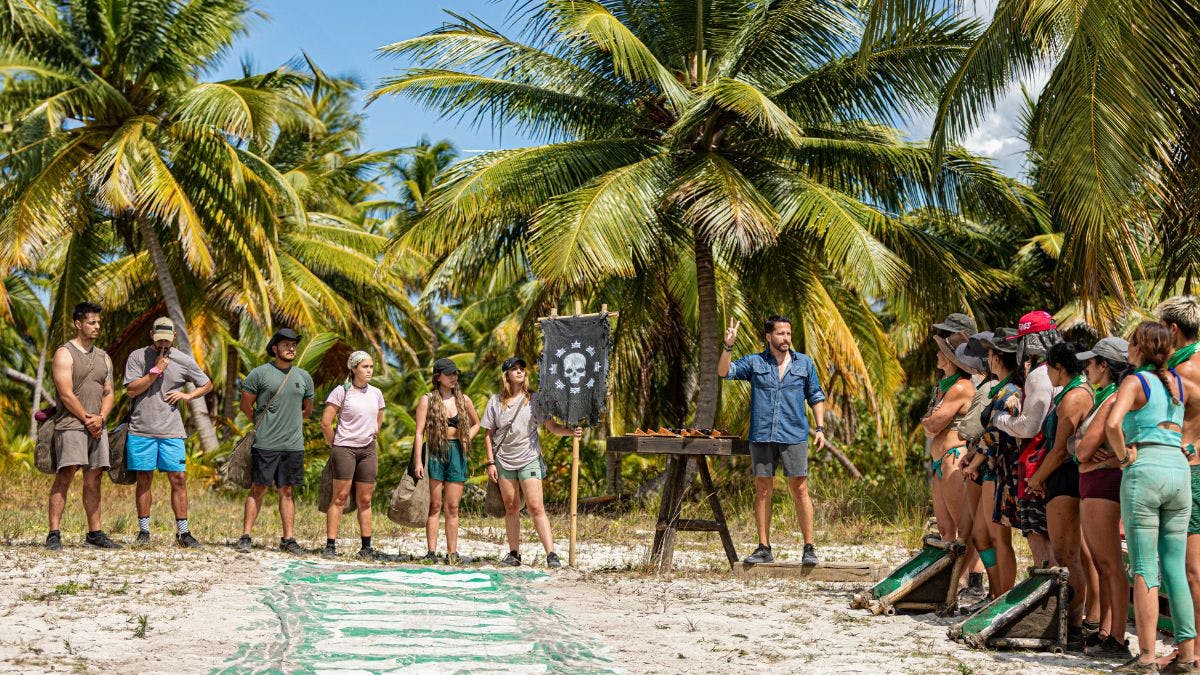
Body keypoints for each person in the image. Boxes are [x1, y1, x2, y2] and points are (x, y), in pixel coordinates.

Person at [1106, 321, 1194, 671]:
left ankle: (1145, 658)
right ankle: (1187, 656)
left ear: (1140, 347)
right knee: (1174, 565)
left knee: (1144, 567)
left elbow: (1114, 423)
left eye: (1131, 343)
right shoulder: (1176, 384)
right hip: (1179, 470)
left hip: (1146, 468)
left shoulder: (1135, 380)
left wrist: (1123, 455)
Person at [718, 315, 827, 566]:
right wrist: (728, 346)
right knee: (763, 489)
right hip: (762, 434)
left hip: (794, 434)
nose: (786, 338)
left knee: (799, 488)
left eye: (788, 333)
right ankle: (764, 548)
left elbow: (815, 395)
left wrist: (820, 427)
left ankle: (809, 548)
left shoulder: (804, 364)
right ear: (769, 337)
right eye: (780, 334)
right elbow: (725, 372)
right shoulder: (755, 362)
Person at [1025, 341, 1095, 645]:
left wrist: (1037, 478)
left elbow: (1058, 451)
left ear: (1059, 368)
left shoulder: (1073, 397)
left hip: (1064, 479)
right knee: (1070, 554)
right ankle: (1075, 620)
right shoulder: (1073, 391)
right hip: (1063, 477)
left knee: (1068, 555)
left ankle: (1074, 623)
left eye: (1049, 368)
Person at [482, 357, 580, 569]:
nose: (519, 372)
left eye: (521, 369)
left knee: (536, 507)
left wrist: (571, 432)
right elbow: (488, 435)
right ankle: (514, 553)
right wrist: (490, 463)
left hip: (529, 458)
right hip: (504, 461)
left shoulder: (534, 399)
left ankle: (551, 554)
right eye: (514, 369)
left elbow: (551, 427)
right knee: (511, 507)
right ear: (506, 375)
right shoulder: (495, 402)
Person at [123, 317, 213, 548]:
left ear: (174, 337)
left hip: (171, 431)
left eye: (167, 339)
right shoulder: (137, 357)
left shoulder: (183, 360)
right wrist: (154, 372)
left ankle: (183, 533)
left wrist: (188, 396)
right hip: (141, 429)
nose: (162, 344)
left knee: (179, 479)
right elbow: (131, 391)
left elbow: (207, 384)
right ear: (151, 335)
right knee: (144, 479)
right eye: (158, 339)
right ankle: (144, 531)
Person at [1073, 337, 1133, 657]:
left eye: (1091, 362)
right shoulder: (1104, 396)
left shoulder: (1111, 399)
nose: (1086, 368)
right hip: (1094, 484)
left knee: (1110, 564)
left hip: (1103, 485)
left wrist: (1084, 455)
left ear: (1104, 366)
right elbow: (1077, 449)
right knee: (1102, 562)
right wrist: (1082, 454)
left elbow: (1081, 448)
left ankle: (1117, 636)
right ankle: (1108, 630)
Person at [46, 302, 120, 550]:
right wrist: (87, 419)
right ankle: (54, 533)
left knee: (94, 479)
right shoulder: (64, 353)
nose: (97, 326)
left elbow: (109, 392)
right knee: (65, 475)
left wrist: (100, 417)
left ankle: (95, 534)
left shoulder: (104, 357)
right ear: (79, 324)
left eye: (99, 322)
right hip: (71, 425)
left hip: (98, 427)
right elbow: (65, 394)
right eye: (92, 322)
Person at [235, 328, 315, 555]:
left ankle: (288, 539)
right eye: (286, 345)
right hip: (265, 443)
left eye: (293, 345)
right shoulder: (259, 374)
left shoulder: (303, 377)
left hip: (293, 445)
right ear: (275, 348)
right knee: (257, 489)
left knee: (287, 491)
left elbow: (307, 410)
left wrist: (289, 424)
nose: (291, 348)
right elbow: (245, 406)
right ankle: (245, 536)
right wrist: (264, 425)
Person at [994, 310, 1061, 566]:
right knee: (1058, 537)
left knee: (1037, 534)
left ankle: (1049, 598)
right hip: (1057, 460)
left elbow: (1029, 426)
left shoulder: (1039, 375)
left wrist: (999, 419)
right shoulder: (1065, 372)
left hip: (1036, 461)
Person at [964, 329, 1022, 596]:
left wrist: (974, 462)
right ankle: (996, 593)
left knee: (999, 538)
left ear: (998, 358)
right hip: (991, 469)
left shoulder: (1010, 392)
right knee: (982, 535)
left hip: (1000, 472)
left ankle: (1003, 596)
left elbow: (995, 437)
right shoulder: (1002, 389)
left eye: (989, 353)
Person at [1158, 296, 1200, 656]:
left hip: (1189, 471)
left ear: (1173, 329)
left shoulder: (1181, 371)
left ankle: (1195, 650)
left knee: (1189, 569)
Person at [413, 358, 480, 564]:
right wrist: (418, 462)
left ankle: (452, 552)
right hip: (434, 451)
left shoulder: (464, 400)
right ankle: (431, 552)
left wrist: (467, 437)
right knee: (434, 505)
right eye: (449, 373)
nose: (453, 377)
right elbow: (418, 433)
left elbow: (477, 423)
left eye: (455, 373)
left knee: (452, 507)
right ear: (438, 376)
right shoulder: (428, 399)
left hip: (456, 453)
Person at [320, 351, 385, 560]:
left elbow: (378, 419)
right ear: (354, 368)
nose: (369, 371)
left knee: (365, 499)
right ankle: (330, 545)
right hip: (344, 449)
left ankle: (366, 547)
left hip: (368, 450)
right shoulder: (342, 392)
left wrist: (372, 435)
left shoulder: (376, 393)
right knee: (339, 497)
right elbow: (325, 422)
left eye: (371, 367)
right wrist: (336, 443)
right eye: (365, 367)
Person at [921, 335, 976, 563]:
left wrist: (929, 421)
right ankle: (951, 577)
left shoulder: (960, 386)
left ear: (950, 358)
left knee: (963, 526)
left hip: (954, 456)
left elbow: (931, 424)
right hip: (940, 459)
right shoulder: (942, 386)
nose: (936, 355)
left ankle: (969, 577)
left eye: (940, 351)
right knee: (945, 527)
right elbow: (930, 425)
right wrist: (930, 422)